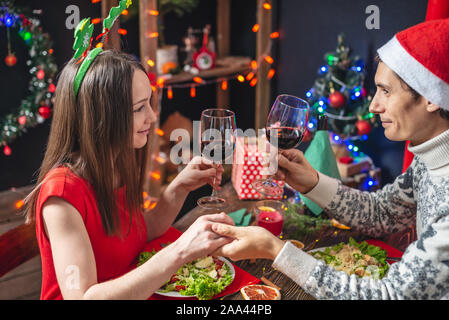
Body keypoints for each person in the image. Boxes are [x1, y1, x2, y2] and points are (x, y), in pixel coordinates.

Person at [212, 19, 449, 299]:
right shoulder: (429, 157)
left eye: (385, 90)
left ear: (430, 96)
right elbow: (384, 213)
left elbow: (387, 295)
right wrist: (312, 182)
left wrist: (275, 250)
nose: (374, 105)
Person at [24, 49, 235, 300]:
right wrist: (180, 251)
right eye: (138, 108)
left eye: (149, 103)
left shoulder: (116, 162)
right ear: (101, 116)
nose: (152, 116)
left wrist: (179, 187)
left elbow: (140, 232)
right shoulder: (61, 196)